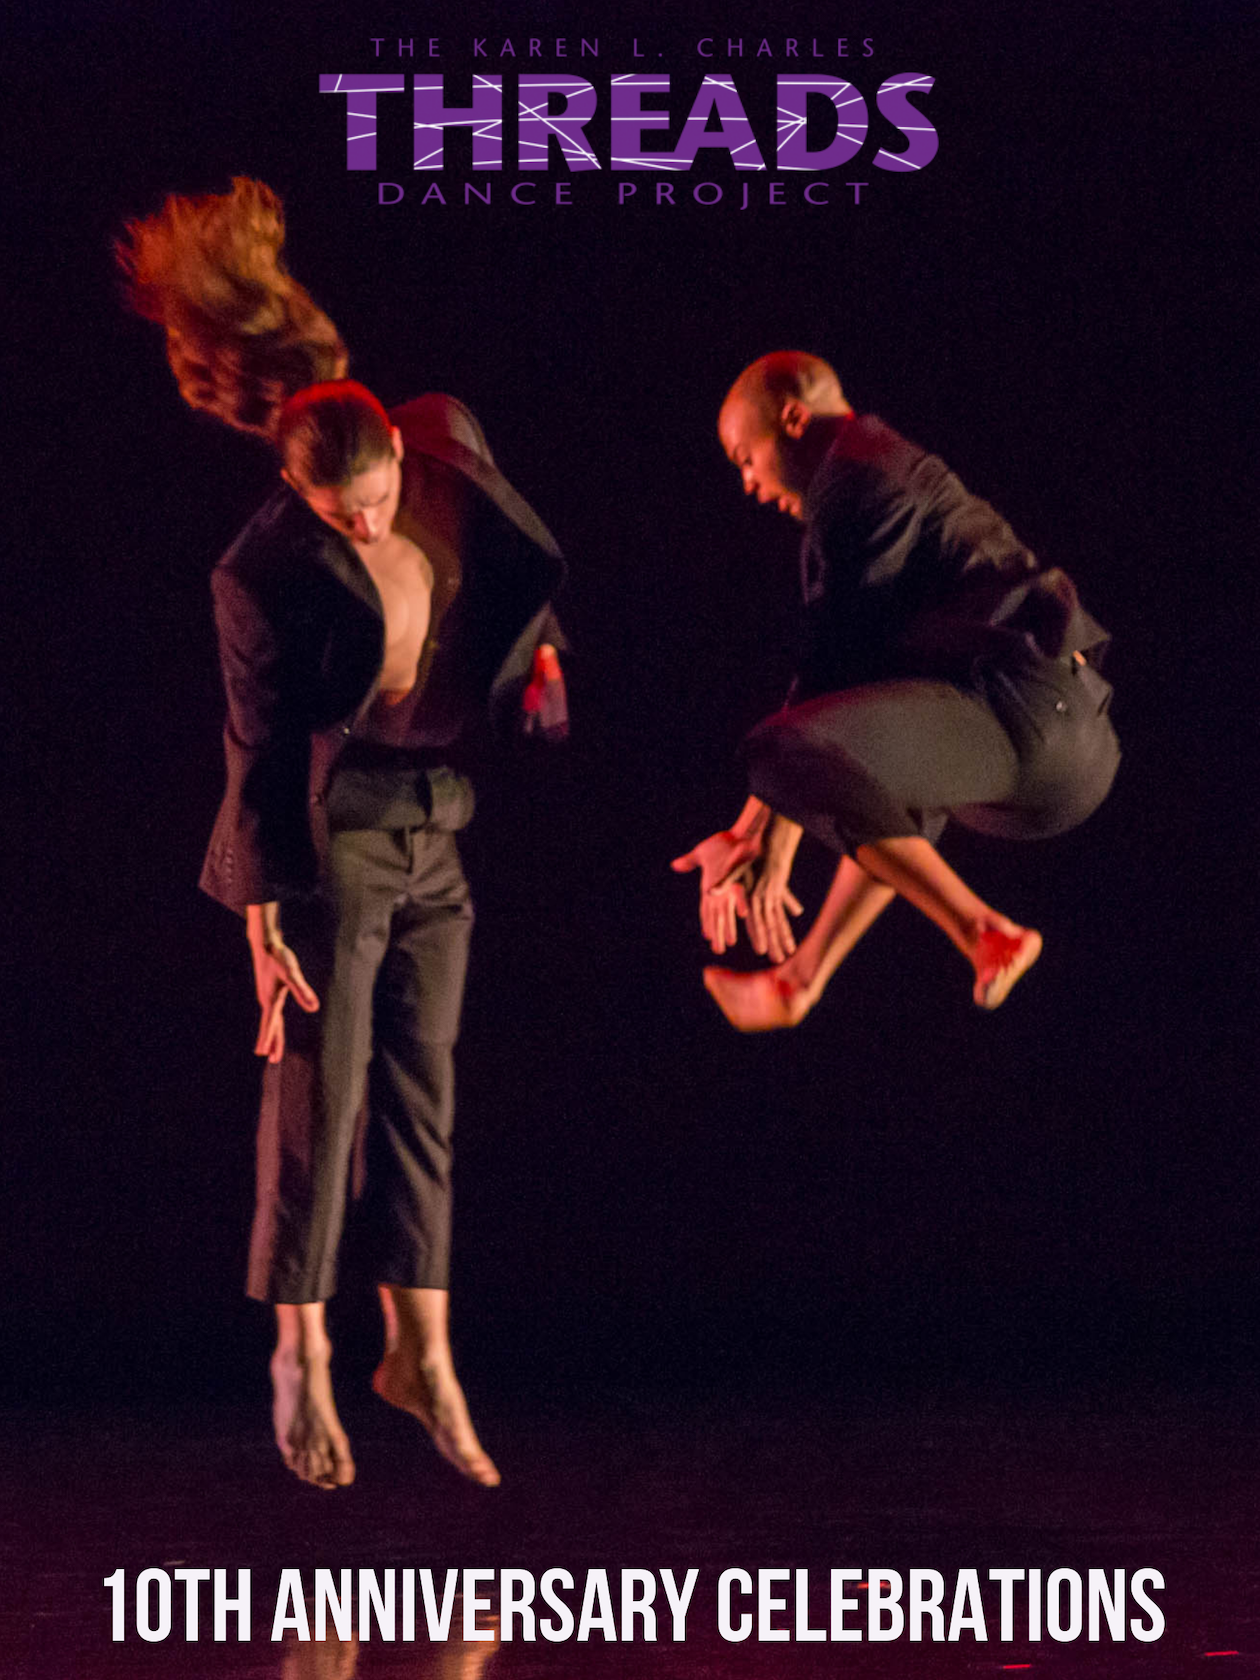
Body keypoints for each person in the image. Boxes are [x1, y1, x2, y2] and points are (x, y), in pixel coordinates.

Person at [118, 180, 567, 1490]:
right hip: (336, 841)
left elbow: (511, 567)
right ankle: (301, 1357)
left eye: (376, 500)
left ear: (399, 459)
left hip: (438, 823)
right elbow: (255, 751)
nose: (367, 525)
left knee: (425, 1094)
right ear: (299, 492)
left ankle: (421, 1354)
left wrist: (542, 661)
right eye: (341, 515)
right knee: (322, 1096)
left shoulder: (443, 444)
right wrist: (262, 922)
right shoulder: (259, 572)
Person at [673, 351, 1119, 1030]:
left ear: (792, 419)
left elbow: (833, 669)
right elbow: (847, 698)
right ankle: (799, 980)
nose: (749, 485)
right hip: (1046, 746)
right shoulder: (871, 471)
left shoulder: (859, 474)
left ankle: (982, 930)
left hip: (1031, 707)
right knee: (864, 778)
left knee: (778, 751)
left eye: (745, 458)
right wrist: (754, 833)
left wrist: (763, 831)